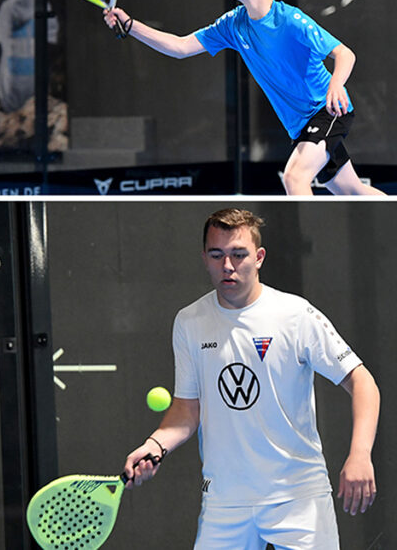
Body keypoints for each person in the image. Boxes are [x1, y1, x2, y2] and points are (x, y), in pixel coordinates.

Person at [121, 208, 379, 548]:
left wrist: (360, 453)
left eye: (238, 254)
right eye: (217, 255)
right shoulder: (189, 322)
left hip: (298, 498)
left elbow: (362, 382)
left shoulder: (296, 314)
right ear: (205, 258)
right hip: (225, 502)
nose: (227, 266)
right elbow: (187, 409)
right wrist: (155, 446)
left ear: (258, 257)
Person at [103, 0, 384, 195]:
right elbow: (180, 47)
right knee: (353, 191)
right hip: (299, 125)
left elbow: (344, 54)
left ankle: (306, 252)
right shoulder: (233, 25)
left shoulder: (290, 20)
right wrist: (131, 25)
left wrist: (336, 85)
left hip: (327, 110)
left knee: (294, 177)